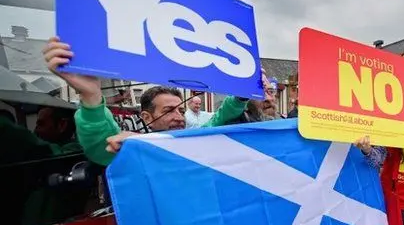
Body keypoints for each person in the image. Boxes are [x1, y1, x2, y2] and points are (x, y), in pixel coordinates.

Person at [42, 36, 249, 166]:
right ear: (146, 116)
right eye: (169, 110)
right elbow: (100, 144)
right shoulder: (130, 147)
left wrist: (241, 95)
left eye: (180, 111)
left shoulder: (191, 141)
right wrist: (91, 96)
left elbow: (218, 120)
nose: (178, 117)